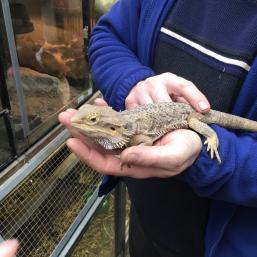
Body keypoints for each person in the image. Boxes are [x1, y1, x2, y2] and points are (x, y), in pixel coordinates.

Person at [59, 0, 257, 256]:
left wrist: (213, 147)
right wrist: (130, 82)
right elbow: (106, 35)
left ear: (108, 124)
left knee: (203, 124)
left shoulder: (131, 133)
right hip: (148, 224)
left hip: (225, 243)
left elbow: (146, 139)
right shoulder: (123, 125)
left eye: (93, 120)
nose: (86, 123)